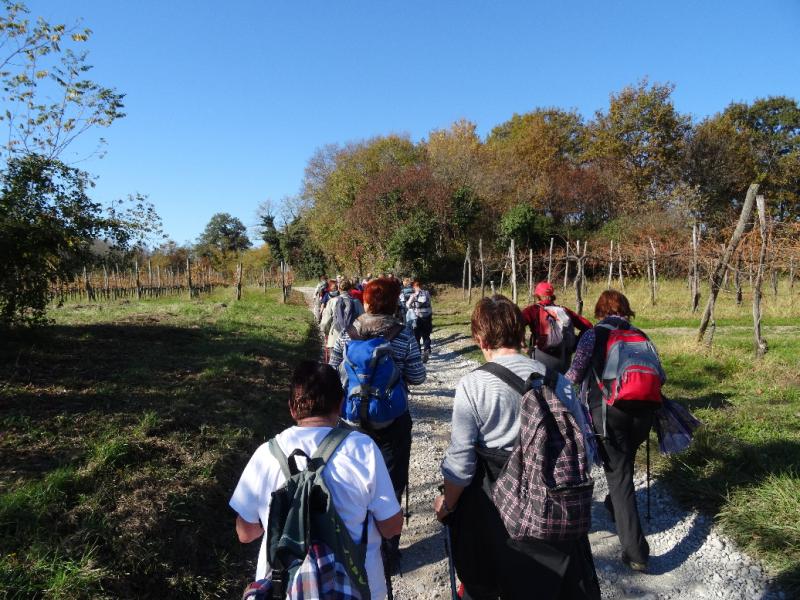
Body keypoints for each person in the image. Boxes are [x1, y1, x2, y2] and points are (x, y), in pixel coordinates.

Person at [434, 295, 599, 600]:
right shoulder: (559, 382)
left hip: (496, 514)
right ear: (522, 334)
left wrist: (448, 504)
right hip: (553, 509)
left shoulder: (474, 385)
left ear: (480, 339)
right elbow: (584, 453)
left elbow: (461, 464)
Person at [229, 361, 403, 600]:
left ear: (292, 408)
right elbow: (392, 527)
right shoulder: (363, 448)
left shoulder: (266, 454)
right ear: (340, 405)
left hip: (285, 590)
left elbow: (245, 533)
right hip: (358, 589)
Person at [330, 276, 426, 573]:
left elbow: (333, 370)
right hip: (392, 421)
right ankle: (388, 551)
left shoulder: (348, 333)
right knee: (392, 483)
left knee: (354, 483)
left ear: (367, 301)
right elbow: (418, 376)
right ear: (395, 302)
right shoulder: (403, 334)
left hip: (353, 422)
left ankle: (355, 547)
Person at [565, 290, 662, 573]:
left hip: (609, 415)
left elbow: (574, 375)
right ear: (625, 309)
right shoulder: (641, 335)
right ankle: (613, 504)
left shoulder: (593, 335)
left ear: (600, 310)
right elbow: (661, 376)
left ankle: (636, 552)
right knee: (623, 468)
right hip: (644, 414)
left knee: (618, 477)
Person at [521, 281, 592, 373]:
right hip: (564, 357)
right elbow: (588, 326)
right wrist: (575, 344)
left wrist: (525, 347)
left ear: (537, 296)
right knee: (562, 381)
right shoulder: (564, 310)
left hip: (541, 355)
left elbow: (515, 326)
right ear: (552, 296)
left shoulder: (532, 310)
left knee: (542, 381)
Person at [320, 278, 364, 363]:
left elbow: (325, 323)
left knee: (334, 366)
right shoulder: (356, 302)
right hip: (352, 340)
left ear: (339, 289)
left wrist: (326, 332)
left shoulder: (332, 301)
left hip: (335, 338)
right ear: (350, 289)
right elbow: (363, 321)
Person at [406, 280, 433, 363]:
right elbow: (430, 302)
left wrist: (411, 306)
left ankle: (418, 353)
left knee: (417, 336)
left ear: (414, 287)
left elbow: (408, 305)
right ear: (421, 285)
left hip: (417, 317)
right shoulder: (427, 293)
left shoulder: (413, 295)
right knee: (426, 335)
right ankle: (427, 349)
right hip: (427, 316)